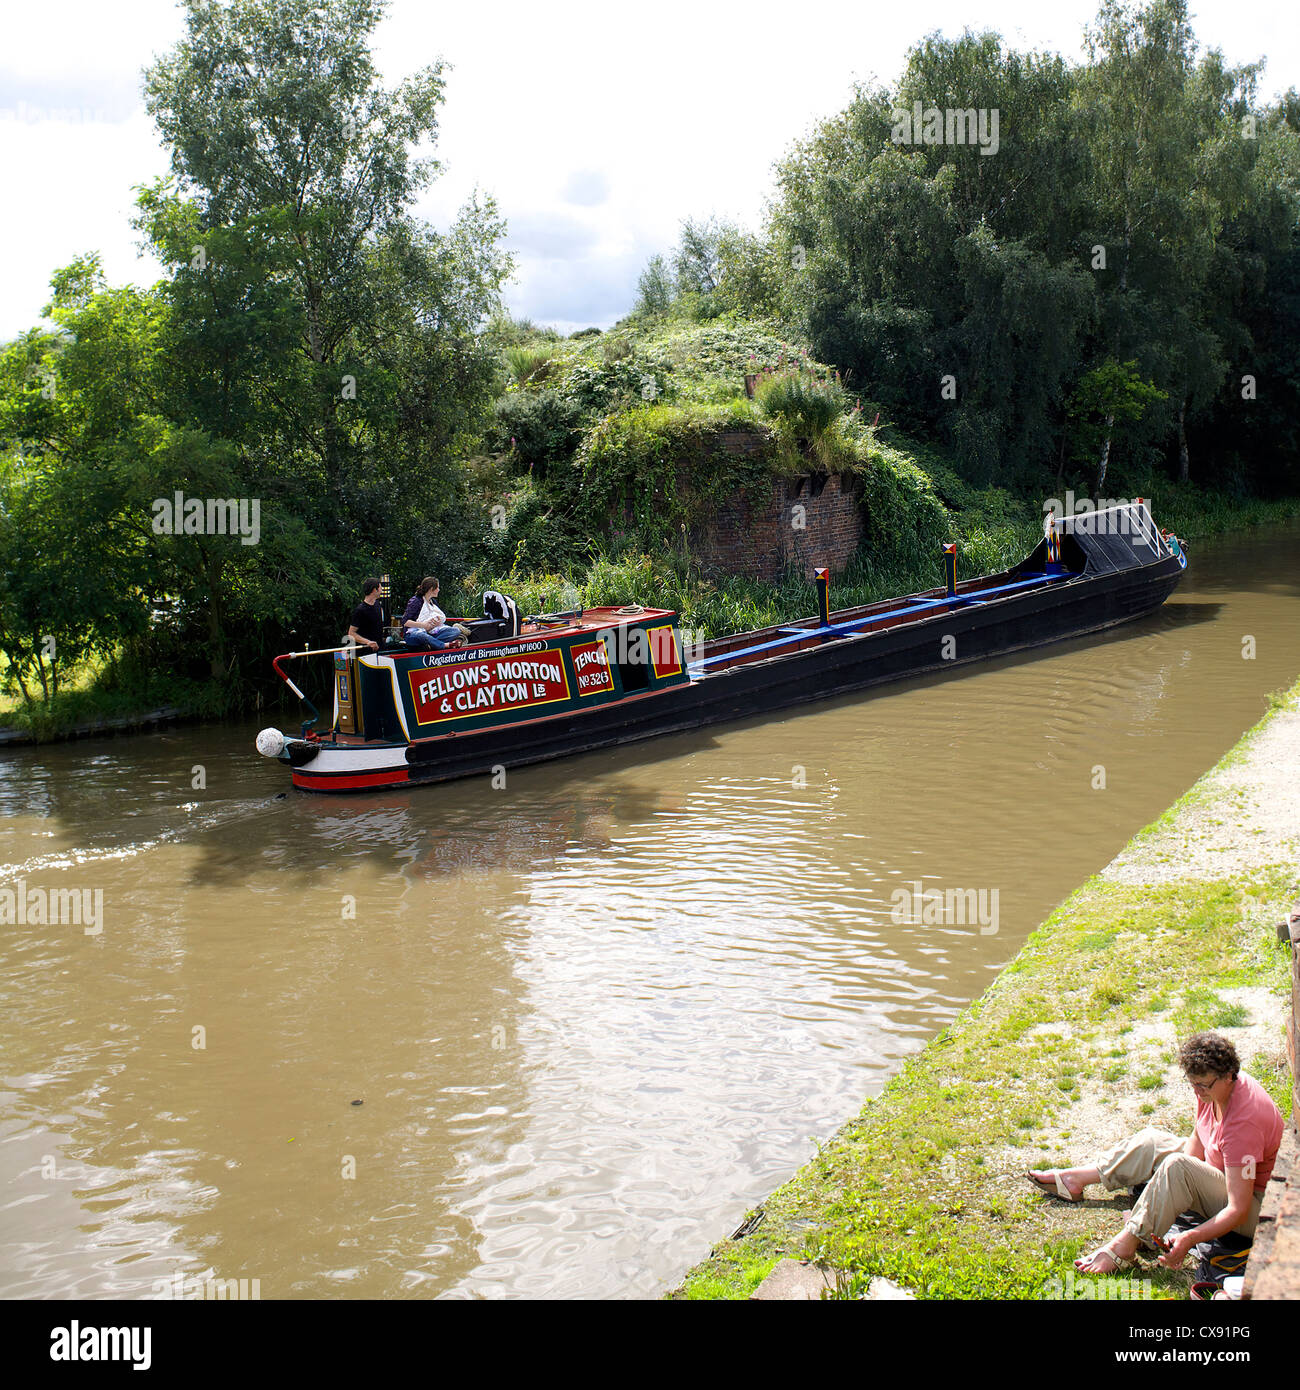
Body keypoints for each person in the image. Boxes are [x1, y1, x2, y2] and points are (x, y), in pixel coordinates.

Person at [1026, 1032, 1285, 1275]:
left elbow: (1238, 1209)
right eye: (1193, 1084)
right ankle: (1077, 1179)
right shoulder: (1211, 1089)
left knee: (1177, 1167)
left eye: (1203, 1086)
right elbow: (1198, 1139)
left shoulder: (1243, 1124)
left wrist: (1189, 1236)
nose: (1198, 1092)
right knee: (1153, 1142)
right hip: (1222, 1172)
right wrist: (1169, 1195)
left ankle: (1123, 1248)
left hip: (1256, 1207)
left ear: (1229, 1075)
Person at [401, 577, 470, 651]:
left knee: (455, 631)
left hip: (431, 632)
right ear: (431, 589)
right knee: (421, 635)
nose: (439, 590)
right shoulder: (416, 601)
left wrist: (436, 623)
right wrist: (424, 625)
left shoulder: (433, 602)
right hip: (413, 633)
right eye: (437, 588)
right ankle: (444, 645)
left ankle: (431, 644)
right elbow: (405, 622)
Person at [346, 577, 385, 652]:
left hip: (379, 650)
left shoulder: (377, 604)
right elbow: (351, 633)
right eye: (380, 588)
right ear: (374, 590)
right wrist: (368, 642)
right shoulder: (360, 610)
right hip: (366, 653)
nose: (381, 591)